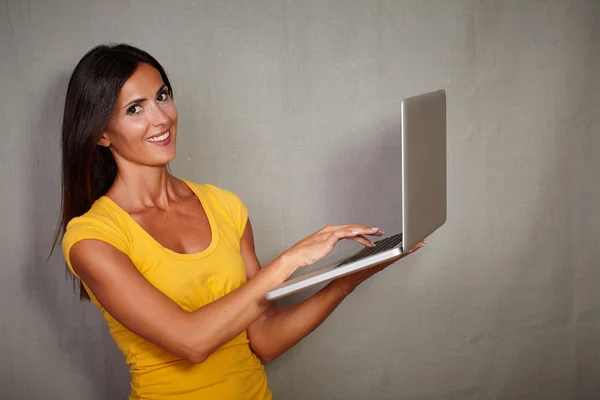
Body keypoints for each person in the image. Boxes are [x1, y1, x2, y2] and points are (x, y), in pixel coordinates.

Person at [52, 43, 424, 400]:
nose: (161, 118)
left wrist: (347, 279)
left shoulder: (224, 206)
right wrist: (289, 261)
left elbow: (264, 340)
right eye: (135, 109)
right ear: (101, 132)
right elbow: (191, 342)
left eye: (162, 96)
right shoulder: (92, 239)